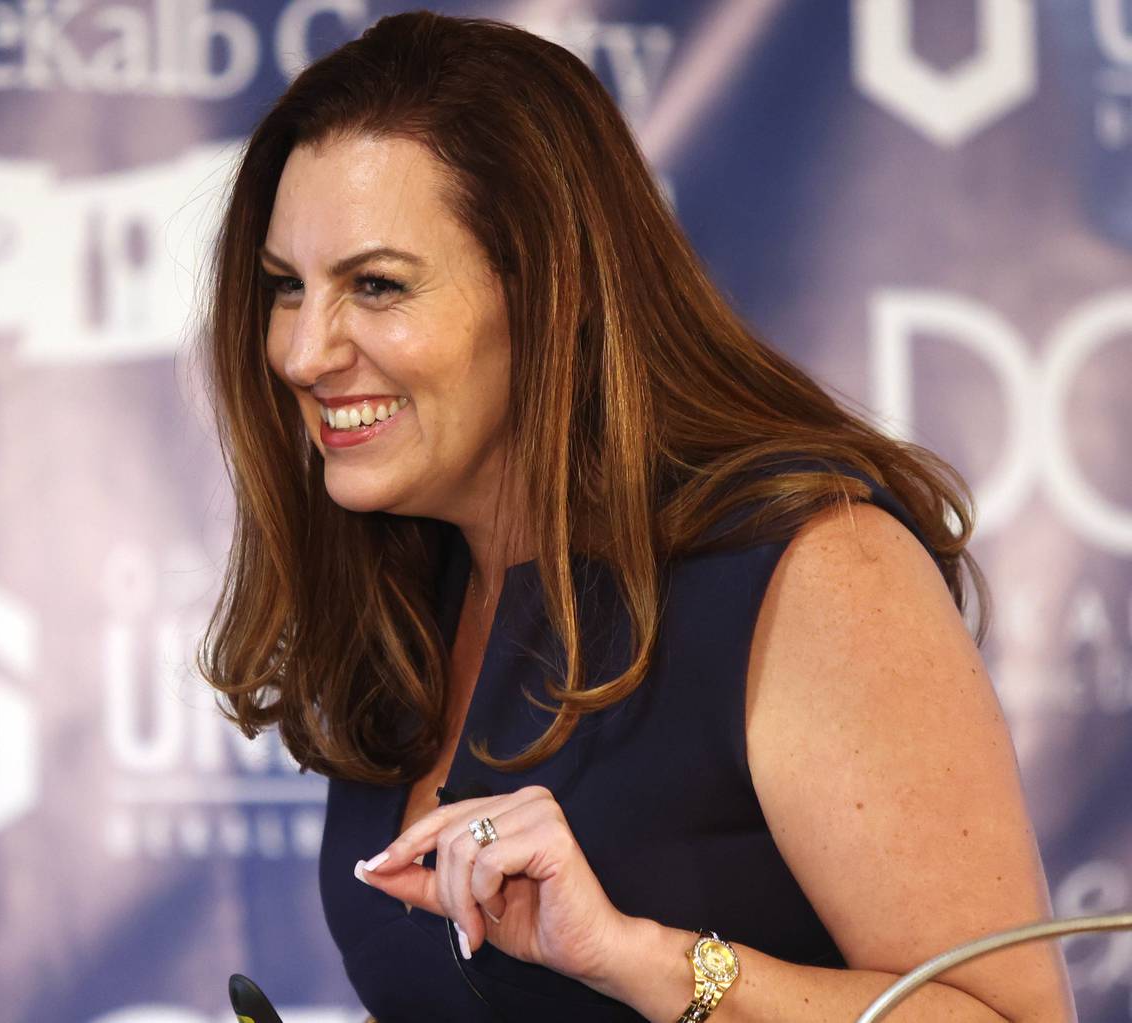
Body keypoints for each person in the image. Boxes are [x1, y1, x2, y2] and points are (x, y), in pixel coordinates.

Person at [196, 10, 1074, 1021]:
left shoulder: (812, 569)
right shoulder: (409, 582)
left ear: (550, 292)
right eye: (285, 289)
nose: (304, 354)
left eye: (378, 285)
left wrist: (637, 959)